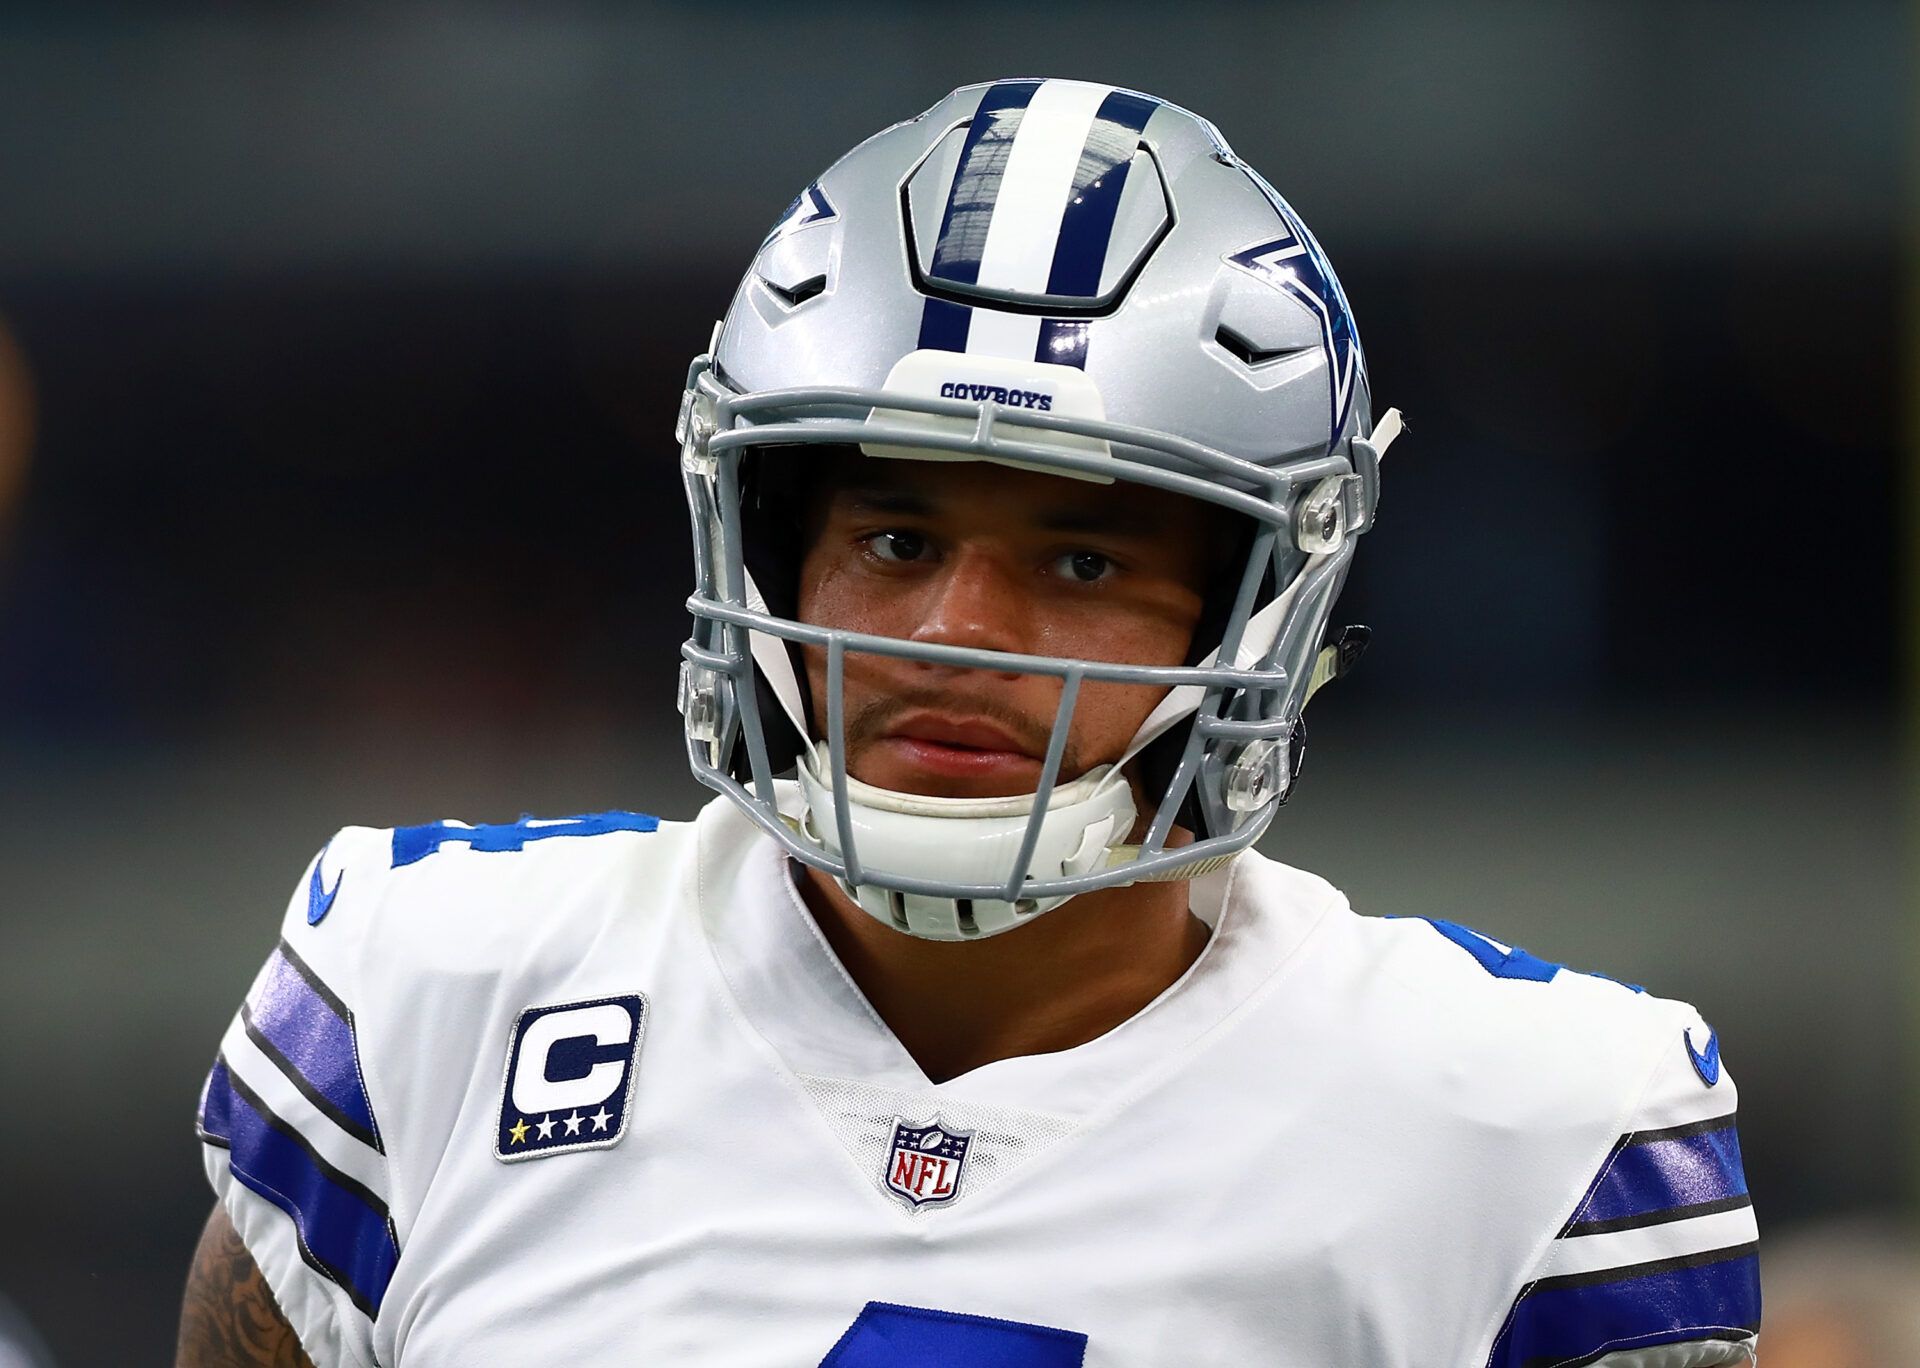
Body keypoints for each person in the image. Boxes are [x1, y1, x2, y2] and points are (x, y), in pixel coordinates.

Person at [178, 78, 1760, 1367]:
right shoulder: (427, 994)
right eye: (896, 541)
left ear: (1259, 610)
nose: (959, 634)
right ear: (765, 540)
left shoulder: (1538, 1132)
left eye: (1083, 558)